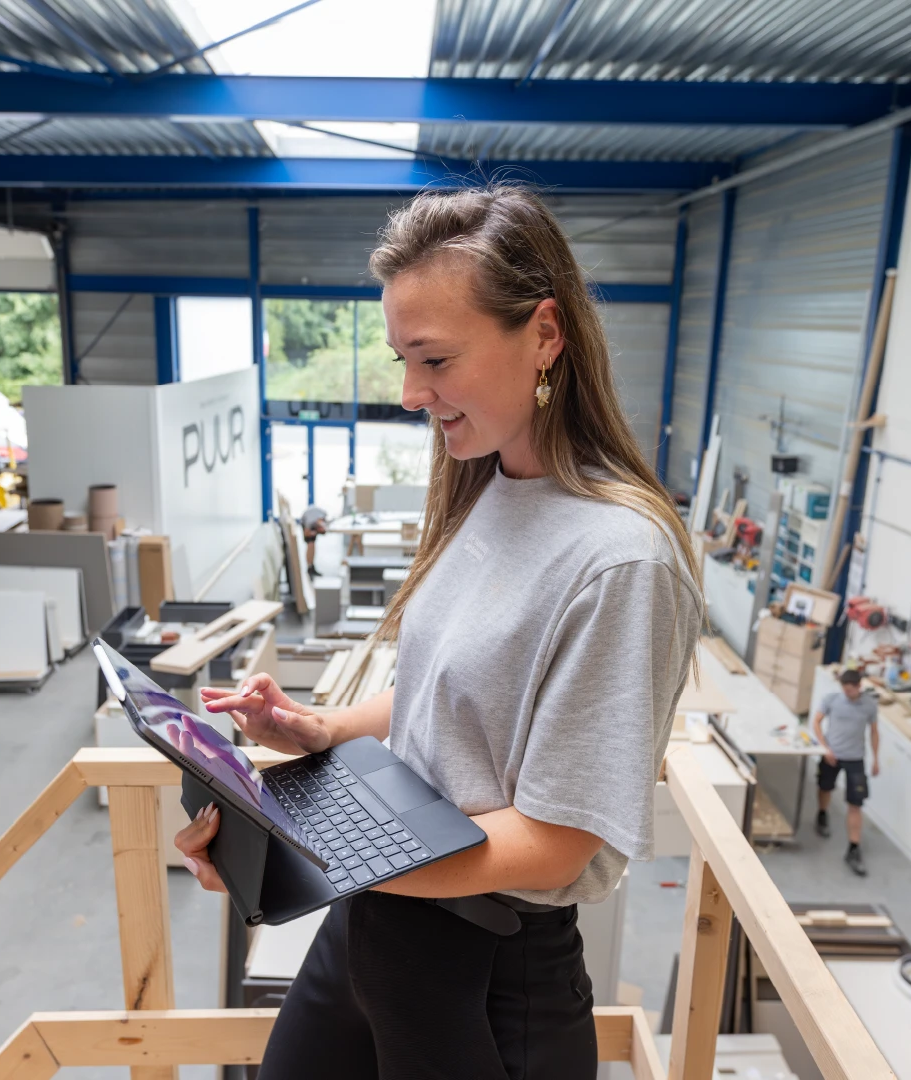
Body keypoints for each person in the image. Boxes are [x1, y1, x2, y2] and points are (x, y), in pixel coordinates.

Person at [172, 185, 702, 1080]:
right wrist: (325, 729)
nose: (411, 394)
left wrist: (304, 852)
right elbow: (451, 686)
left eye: (436, 360)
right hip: (375, 931)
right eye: (402, 359)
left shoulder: (621, 560)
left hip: (486, 974)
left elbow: (556, 842)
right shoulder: (490, 487)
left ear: (544, 333)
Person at [814, 666, 880, 876]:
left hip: (855, 759)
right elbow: (816, 722)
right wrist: (825, 748)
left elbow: (874, 732)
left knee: (855, 804)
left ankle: (853, 848)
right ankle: (822, 814)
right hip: (832, 755)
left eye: (851, 690)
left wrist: (876, 758)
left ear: (859, 686)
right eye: (845, 689)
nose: (847, 693)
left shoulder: (869, 705)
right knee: (825, 788)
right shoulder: (832, 700)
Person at [299, 504, 329, 577]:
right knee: (310, 544)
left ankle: (311, 566)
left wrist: (320, 530)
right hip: (306, 519)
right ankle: (309, 567)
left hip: (314, 519)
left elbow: (324, 530)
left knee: (312, 544)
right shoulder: (309, 522)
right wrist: (315, 532)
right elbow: (306, 533)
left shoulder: (323, 515)